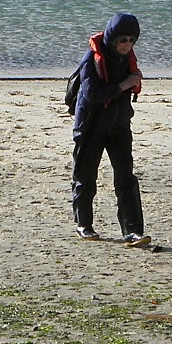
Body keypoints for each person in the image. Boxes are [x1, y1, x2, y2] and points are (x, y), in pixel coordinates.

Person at [70, 13, 149, 247]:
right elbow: (92, 94)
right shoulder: (91, 59)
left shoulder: (127, 59)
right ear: (113, 38)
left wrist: (132, 83)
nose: (127, 45)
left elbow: (124, 91)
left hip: (119, 126)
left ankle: (133, 231)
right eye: (123, 40)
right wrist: (125, 84)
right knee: (85, 177)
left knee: (126, 178)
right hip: (91, 126)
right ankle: (84, 225)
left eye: (132, 40)